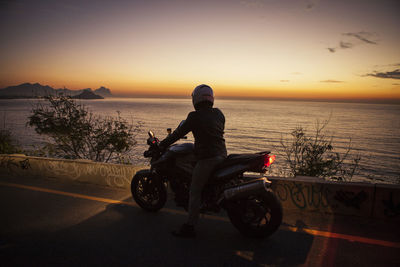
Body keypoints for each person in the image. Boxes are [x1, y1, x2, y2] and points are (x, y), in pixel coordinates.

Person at [159, 84, 227, 238]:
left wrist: (162, 144)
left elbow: (177, 134)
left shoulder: (194, 116)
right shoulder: (219, 113)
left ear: (196, 98)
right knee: (190, 161)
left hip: (207, 158)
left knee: (194, 191)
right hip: (222, 154)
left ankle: (189, 227)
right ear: (211, 98)